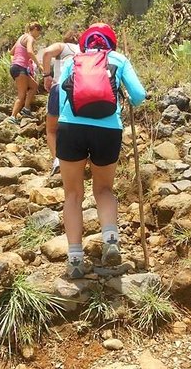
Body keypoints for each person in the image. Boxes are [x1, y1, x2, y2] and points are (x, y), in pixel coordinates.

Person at [56, 23, 146, 279]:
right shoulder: (119, 58)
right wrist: (124, 96)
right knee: (104, 190)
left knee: (73, 194)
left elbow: (60, 95)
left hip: (70, 127)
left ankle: (74, 258)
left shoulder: (74, 60)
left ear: (86, 42)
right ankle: (111, 241)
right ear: (111, 42)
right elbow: (140, 95)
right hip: (108, 129)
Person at [42, 30, 80, 176]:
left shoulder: (62, 46)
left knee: (52, 129)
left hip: (60, 88)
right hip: (78, 91)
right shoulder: (83, 51)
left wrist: (46, 75)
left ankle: (57, 160)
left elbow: (46, 53)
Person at [9, 22, 43, 124]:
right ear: (36, 29)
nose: (39, 35)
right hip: (20, 68)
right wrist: (39, 64)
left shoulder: (21, 37)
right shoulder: (30, 38)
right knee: (21, 95)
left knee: (34, 86)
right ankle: (12, 117)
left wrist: (14, 62)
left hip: (16, 67)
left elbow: (11, 52)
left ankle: (26, 109)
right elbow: (29, 51)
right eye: (39, 32)